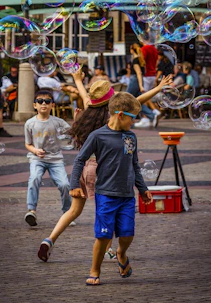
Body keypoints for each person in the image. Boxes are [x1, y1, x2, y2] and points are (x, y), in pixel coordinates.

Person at [37, 68, 172, 263]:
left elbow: (84, 94)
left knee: (74, 210)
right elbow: (139, 100)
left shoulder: (88, 109)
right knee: (109, 208)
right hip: (103, 170)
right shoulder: (114, 116)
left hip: (84, 169)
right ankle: (107, 250)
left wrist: (77, 79)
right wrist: (159, 87)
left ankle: (49, 239)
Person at [69, 92, 153, 285]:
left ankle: (121, 254)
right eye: (133, 118)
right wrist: (74, 185)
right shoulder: (98, 136)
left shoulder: (130, 137)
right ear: (121, 114)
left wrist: (142, 188)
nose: (134, 123)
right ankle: (95, 270)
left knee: (127, 234)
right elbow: (79, 160)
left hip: (127, 195)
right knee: (103, 235)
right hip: (106, 194)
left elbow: (134, 165)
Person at [24, 89, 74, 227]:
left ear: (52, 105)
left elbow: (72, 133)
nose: (43, 104)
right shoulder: (29, 123)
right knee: (34, 178)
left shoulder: (58, 122)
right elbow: (27, 144)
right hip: (37, 158)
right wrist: (35, 150)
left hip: (56, 159)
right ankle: (31, 210)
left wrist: (77, 118)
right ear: (35, 105)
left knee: (65, 184)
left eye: (47, 101)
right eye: (40, 101)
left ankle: (67, 213)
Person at [128, 43, 159, 128]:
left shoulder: (135, 60)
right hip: (141, 80)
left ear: (131, 50)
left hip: (135, 80)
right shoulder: (141, 60)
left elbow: (138, 73)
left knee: (127, 99)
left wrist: (141, 86)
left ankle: (128, 120)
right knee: (138, 101)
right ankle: (151, 115)